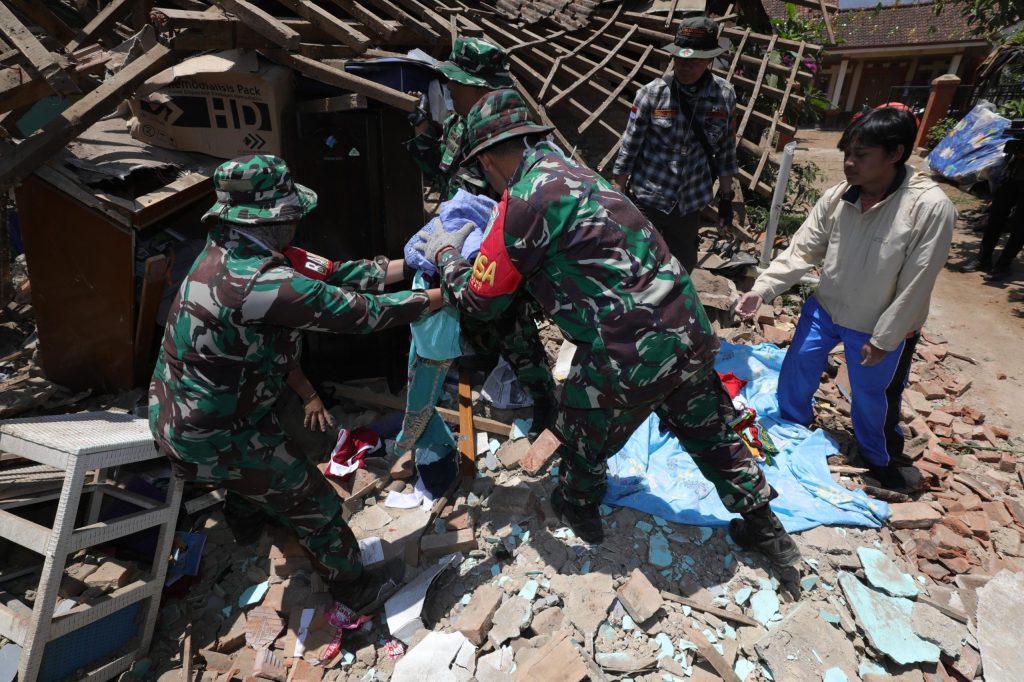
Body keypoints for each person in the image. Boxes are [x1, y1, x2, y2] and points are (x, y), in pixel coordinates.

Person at [413, 89, 800, 567]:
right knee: (711, 432)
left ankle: (579, 509)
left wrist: (446, 253)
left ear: (489, 158)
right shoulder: (579, 172)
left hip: (626, 353)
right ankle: (769, 532)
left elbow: (479, 301)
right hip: (686, 327)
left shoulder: (523, 202)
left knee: (579, 429)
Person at [149, 155, 443, 608]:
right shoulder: (262, 285)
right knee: (317, 507)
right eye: (294, 212)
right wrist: (447, 295)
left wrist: (408, 263)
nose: (300, 218)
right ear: (279, 217)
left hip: (201, 412)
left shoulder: (230, 249)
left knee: (259, 473)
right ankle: (356, 590)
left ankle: (250, 525)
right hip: (214, 434)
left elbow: (338, 273)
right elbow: (362, 313)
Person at [735, 107, 956, 490]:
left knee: (873, 397)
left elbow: (917, 283)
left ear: (895, 154)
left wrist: (886, 338)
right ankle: (792, 428)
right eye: (846, 153)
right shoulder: (839, 197)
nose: (849, 163)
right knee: (797, 369)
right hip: (826, 307)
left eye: (861, 155)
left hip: (877, 321)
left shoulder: (929, 207)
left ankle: (881, 459)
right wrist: (762, 289)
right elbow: (802, 250)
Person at [406, 36, 557, 438]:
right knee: (475, 323)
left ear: (481, 86)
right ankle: (486, 387)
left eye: (456, 82)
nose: (450, 89)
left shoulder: (509, 130)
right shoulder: (458, 123)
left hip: (504, 249)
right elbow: (443, 173)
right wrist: (423, 131)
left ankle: (547, 408)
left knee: (515, 332)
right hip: (465, 244)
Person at [611, 16, 738, 273]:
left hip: (690, 205)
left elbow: (726, 151)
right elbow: (630, 147)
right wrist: (618, 194)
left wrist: (726, 198)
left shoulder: (724, 96)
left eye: (694, 60)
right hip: (648, 200)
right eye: (679, 58)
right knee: (639, 267)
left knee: (681, 269)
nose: (685, 66)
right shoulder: (651, 94)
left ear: (709, 59)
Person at [958, 141, 1024, 282]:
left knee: (1020, 227)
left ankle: (1003, 266)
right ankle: (983, 259)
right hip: (1012, 176)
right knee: (995, 218)